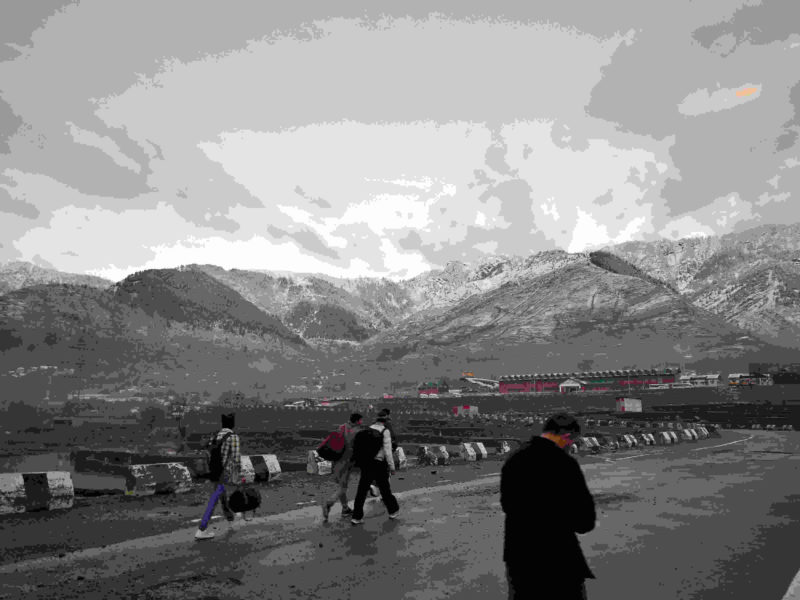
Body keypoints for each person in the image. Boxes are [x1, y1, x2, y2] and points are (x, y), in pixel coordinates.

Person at [500, 413, 596, 599]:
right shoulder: (565, 464)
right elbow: (584, 521)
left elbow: (507, 505)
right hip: (558, 557)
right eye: (572, 442)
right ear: (566, 436)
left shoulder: (514, 459)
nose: (570, 446)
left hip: (518, 555)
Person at [195, 412, 242, 540]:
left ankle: (231, 519)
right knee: (215, 498)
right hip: (223, 472)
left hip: (213, 471)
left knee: (222, 495)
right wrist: (239, 475)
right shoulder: (233, 437)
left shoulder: (215, 435)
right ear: (233, 424)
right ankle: (202, 529)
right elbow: (236, 459)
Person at [350, 411, 400, 524]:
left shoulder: (367, 430)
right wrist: (392, 467)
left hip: (366, 463)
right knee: (385, 489)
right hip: (378, 463)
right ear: (385, 422)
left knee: (362, 490)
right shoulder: (385, 431)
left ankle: (356, 517)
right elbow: (388, 451)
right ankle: (393, 511)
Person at [321, 412, 363, 521]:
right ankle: (328, 503)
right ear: (357, 421)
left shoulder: (342, 427)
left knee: (342, 485)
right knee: (343, 488)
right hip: (346, 462)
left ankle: (345, 509)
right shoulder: (356, 431)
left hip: (336, 460)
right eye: (361, 420)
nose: (362, 422)